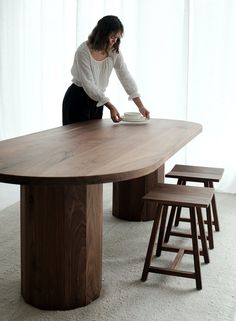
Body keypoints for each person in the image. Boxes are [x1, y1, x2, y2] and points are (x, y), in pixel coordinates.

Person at [62, 15, 150, 125]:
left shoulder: (113, 52)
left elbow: (125, 76)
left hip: (98, 100)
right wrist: (110, 106)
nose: (115, 41)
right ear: (102, 34)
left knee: (95, 140)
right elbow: (88, 84)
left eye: (117, 37)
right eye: (112, 37)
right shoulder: (83, 52)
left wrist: (140, 106)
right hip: (78, 99)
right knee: (76, 140)